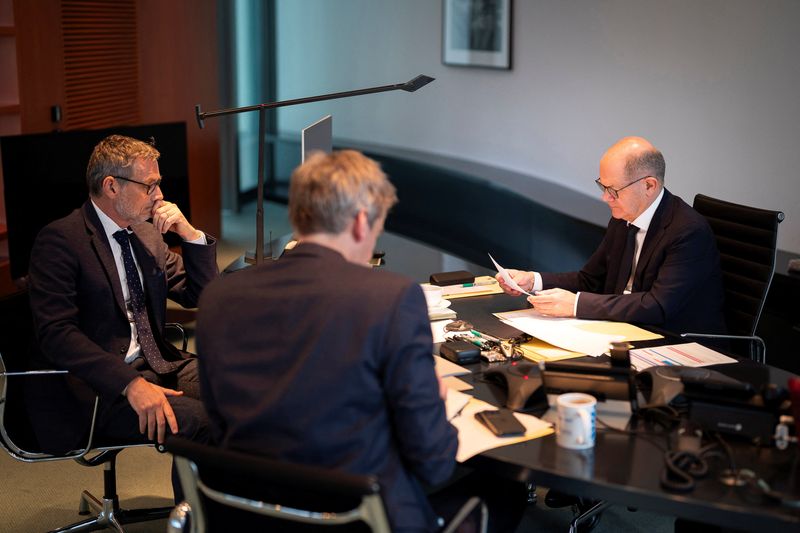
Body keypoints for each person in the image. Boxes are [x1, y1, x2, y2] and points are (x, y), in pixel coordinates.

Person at [197, 150, 525, 532]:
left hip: (247, 511)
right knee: (506, 491)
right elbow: (433, 460)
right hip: (356, 517)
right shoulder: (391, 297)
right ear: (359, 222)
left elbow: (220, 423)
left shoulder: (219, 296)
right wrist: (433, 403)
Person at [27, 134, 216, 461]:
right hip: (102, 388)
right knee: (203, 423)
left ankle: (222, 507)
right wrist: (129, 383)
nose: (160, 196)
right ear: (112, 186)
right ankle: (193, 513)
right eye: (150, 185)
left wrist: (190, 234)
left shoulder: (145, 233)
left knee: (243, 395)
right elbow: (56, 334)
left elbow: (200, 293)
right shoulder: (60, 241)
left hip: (160, 362)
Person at [499, 136, 726, 335]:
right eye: (602, 187)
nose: (605, 199)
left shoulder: (688, 231)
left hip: (675, 343)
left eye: (613, 191)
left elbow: (657, 305)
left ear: (649, 185)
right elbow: (590, 280)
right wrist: (533, 280)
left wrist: (576, 305)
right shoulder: (623, 217)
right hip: (624, 330)